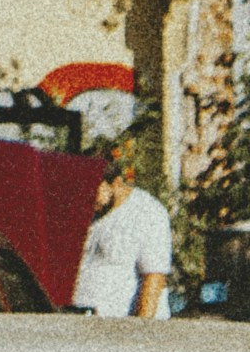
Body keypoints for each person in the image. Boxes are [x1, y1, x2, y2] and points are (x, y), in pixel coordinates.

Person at [74, 136, 175, 319]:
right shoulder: (89, 214)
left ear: (117, 183)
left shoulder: (146, 213)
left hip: (121, 333)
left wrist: (138, 334)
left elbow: (153, 279)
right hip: (84, 329)